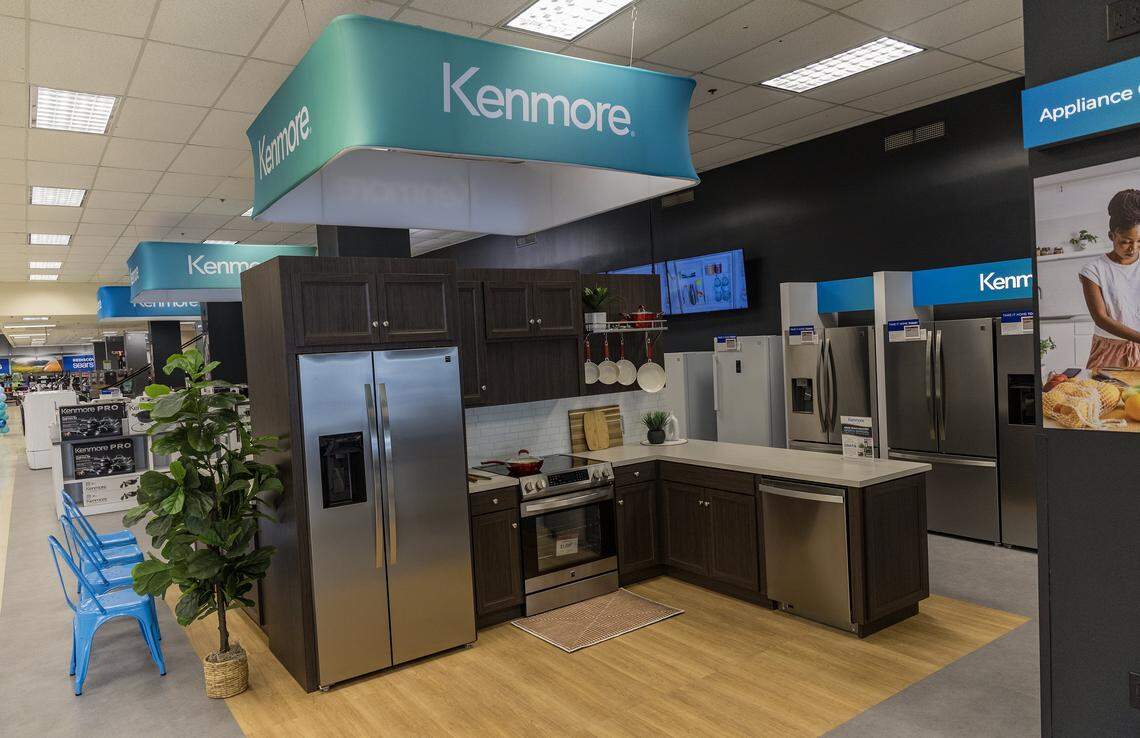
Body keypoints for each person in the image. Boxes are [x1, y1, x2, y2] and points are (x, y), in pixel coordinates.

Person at [1079, 188, 1140, 370]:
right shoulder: (1094, 270)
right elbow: (1101, 318)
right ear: (1112, 236)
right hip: (1109, 350)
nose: (1133, 248)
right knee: (1105, 398)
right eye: (1126, 241)